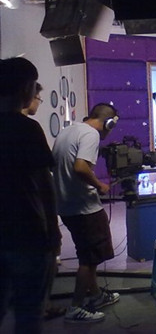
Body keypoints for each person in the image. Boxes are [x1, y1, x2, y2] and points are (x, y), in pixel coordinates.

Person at [0, 57, 61, 334]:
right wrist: (54, 233)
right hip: (28, 233)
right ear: (25, 87)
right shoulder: (27, 128)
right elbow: (44, 186)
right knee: (29, 314)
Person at [52, 103, 120, 324]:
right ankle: (76, 307)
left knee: (88, 255)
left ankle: (96, 295)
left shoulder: (68, 131)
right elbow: (81, 167)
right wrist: (99, 185)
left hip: (67, 206)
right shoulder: (91, 135)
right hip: (85, 208)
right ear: (108, 124)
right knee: (88, 260)